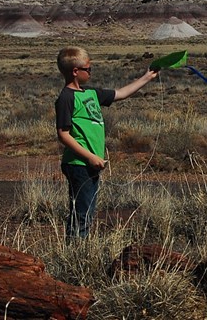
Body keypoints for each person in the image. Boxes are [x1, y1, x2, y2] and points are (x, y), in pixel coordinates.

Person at [54, 46, 158, 240]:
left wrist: (146, 77)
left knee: (87, 210)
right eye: (88, 69)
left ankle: (80, 248)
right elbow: (63, 134)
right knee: (81, 213)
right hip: (78, 164)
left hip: (91, 164)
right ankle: (76, 252)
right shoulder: (66, 98)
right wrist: (90, 156)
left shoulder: (91, 93)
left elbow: (121, 93)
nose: (91, 72)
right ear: (76, 72)